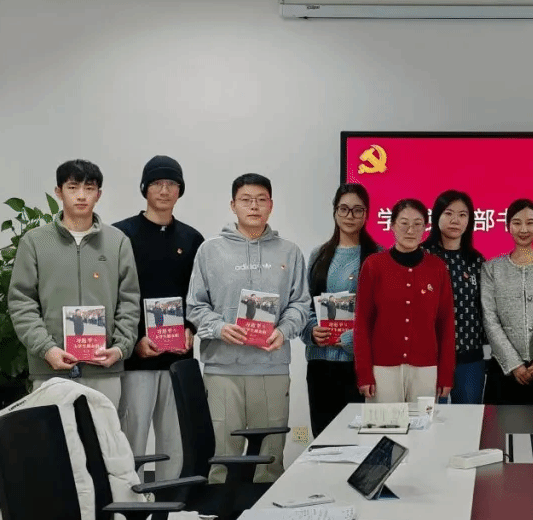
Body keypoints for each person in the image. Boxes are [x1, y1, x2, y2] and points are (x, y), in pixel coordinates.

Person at [186, 173, 309, 483]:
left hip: (271, 366)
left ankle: (267, 509)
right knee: (222, 456)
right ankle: (221, 511)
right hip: (222, 369)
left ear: (271, 205)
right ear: (233, 205)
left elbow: (300, 304)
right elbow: (195, 306)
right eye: (246, 200)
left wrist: (283, 331)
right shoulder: (210, 251)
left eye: (260, 200)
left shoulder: (289, 252)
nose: (254, 206)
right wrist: (219, 328)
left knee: (270, 457)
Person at [8, 159, 139, 407]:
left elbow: (129, 301)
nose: (81, 195)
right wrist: (47, 349)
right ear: (58, 192)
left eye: (89, 188)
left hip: (104, 368)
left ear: (98, 194)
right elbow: (21, 302)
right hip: (50, 369)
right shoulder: (34, 242)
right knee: (55, 433)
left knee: (104, 432)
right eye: (72, 187)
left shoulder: (118, 242)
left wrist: (120, 347)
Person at [114, 155, 204, 481]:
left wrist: (191, 329)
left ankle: (170, 502)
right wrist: (134, 341)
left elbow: (198, 295)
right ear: (145, 188)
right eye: (157, 183)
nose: (164, 190)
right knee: (132, 436)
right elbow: (114, 296)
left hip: (178, 358)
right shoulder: (121, 235)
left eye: (171, 184)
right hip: (137, 358)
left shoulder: (192, 240)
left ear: (180, 190)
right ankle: (130, 502)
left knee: (175, 439)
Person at [353, 198, 455, 403]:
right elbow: (362, 322)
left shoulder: (437, 268)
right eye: (404, 223)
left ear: (425, 228)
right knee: (385, 423)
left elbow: (445, 324)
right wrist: (364, 373)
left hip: (426, 367)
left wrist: (445, 374)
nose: (410, 230)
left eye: (417, 224)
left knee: (423, 423)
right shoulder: (374, 265)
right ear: (392, 226)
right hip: (382, 368)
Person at [301, 184, 380, 438]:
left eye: (357, 210)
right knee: (324, 439)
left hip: (359, 366)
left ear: (366, 214)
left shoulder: (377, 256)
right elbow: (305, 302)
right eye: (343, 209)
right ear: (335, 212)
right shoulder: (319, 254)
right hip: (320, 363)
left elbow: (383, 314)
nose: (350, 216)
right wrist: (311, 330)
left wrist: (354, 338)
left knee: (359, 439)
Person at [481, 198, 533, 405]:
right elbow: (490, 319)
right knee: (500, 425)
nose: (524, 229)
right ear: (508, 226)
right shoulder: (492, 268)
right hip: (504, 369)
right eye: (517, 223)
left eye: (530, 222)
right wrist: (514, 364)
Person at [422, 190, 487, 403]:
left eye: (462, 215)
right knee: (430, 418)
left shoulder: (477, 261)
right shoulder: (422, 257)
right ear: (437, 216)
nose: (455, 220)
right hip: (429, 357)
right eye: (448, 213)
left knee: (469, 419)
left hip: (469, 356)